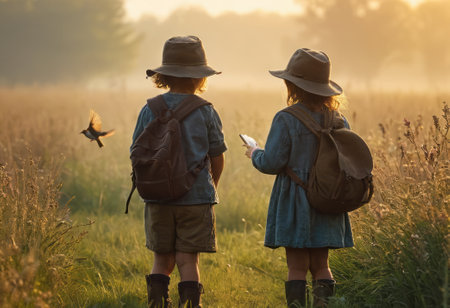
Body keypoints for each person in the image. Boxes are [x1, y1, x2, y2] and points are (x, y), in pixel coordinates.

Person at [243, 48, 354, 307]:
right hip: (328, 200)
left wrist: (254, 153)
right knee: (321, 265)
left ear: (292, 85)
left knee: (296, 267)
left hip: (295, 199)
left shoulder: (286, 119)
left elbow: (272, 162)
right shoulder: (339, 120)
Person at [131, 36, 227, 308]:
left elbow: (135, 151)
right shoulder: (206, 111)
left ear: (164, 76)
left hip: (158, 196)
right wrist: (211, 187)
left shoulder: (149, 109)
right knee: (188, 260)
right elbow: (217, 156)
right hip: (195, 198)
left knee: (161, 259)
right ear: (200, 78)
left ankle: (157, 304)